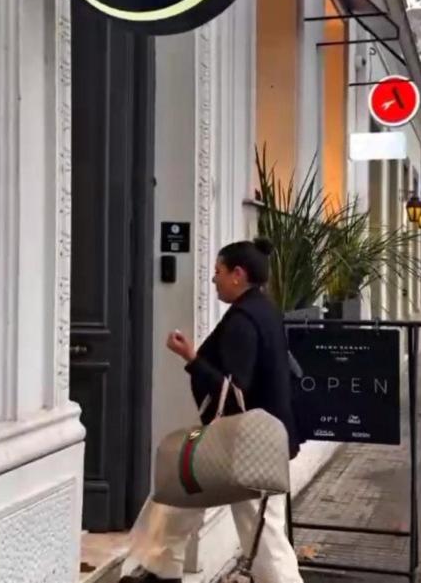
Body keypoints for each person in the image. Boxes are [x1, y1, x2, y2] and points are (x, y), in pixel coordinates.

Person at [120, 238, 304, 583]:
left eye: (218, 271)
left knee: (264, 538)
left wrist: (190, 357)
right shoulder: (262, 309)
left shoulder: (243, 320)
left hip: (246, 443)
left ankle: (158, 567)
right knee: (175, 492)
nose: (214, 279)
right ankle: (157, 568)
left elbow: (233, 390)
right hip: (247, 437)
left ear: (238, 274)